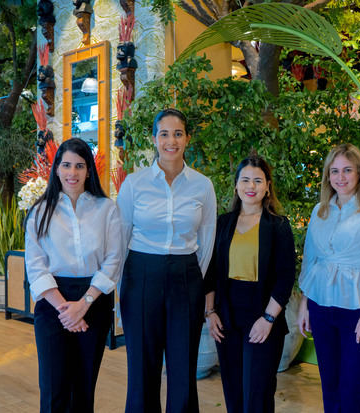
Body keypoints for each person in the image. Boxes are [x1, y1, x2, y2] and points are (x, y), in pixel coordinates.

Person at [117, 108, 217, 413]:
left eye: (177, 134)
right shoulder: (134, 184)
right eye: (164, 134)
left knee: (183, 365)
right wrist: (119, 292)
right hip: (140, 275)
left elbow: (207, 240)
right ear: (154, 138)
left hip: (185, 277)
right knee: (142, 365)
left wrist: (189, 276)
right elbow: (121, 240)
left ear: (187, 138)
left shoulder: (203, 185)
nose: (171, 141)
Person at [296, 143, 360, 413]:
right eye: (334, 171)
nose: (340, 177)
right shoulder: (320, 211)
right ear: (327, 176)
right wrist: (304, 304)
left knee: (353, 392)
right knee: (330, 389)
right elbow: (311, 261)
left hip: (359, 310)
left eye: (347, 170)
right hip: (321, 308)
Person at [25, 138, 123, 412]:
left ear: (89, 171)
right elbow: (36, 267)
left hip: (94, 301)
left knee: (84, 387)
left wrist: (84, 305)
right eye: (66, 165)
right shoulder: (39, 212)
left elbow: (113, 260)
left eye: (80, 166)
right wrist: (67, 311)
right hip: (52, 304)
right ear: (56, 169)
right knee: (54, 388)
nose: (72, 172)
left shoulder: (107, 209)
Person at [204, 154, 296, 413]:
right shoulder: (223, 223)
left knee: (257, 393)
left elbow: (285, 277)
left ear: (268, 186)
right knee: (233, 391)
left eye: (258, 180)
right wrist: (210, 312)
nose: (251, 186)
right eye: (245, 180)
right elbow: (210, 272)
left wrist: (268, 319)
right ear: (236, 186)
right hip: (227, 315)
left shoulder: (278, 226)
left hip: (263, 313)